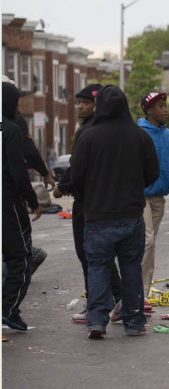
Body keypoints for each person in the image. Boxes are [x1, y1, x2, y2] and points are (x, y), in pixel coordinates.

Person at [70, 85, 160, 340]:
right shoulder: (140, 136)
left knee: (98, 266)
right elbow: (153, 172)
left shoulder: (89, 136)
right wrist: (134, 187)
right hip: (131, 214)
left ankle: (97, 321)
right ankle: (133, 320)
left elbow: (77, 175)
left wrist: (91, 194)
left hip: (98, 214)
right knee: (131, 268)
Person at [54, 84, 124, 323]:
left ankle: (97, 306)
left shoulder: (88, 132)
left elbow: (77, 168)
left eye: (85, 103)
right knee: (102, 256)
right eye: (78, 102)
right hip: (110, 201)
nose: (80, 107)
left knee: (88, 255)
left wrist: (62, 187)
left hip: (87, 203)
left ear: (98, 104)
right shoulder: (115, 129)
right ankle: (119, 298)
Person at [2, 75, 55, 276]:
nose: (18, 104)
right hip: (8, 199)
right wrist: (33, 201)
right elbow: (24, 158)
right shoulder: (14, 124)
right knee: (17, 248)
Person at [2, 82, 43, 332]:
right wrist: (33, 201)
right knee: (19, 258)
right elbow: (18, 171)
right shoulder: (10, 130)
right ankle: (9, 309)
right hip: (7, 203)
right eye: (15, 102)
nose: (17, 108)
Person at [137, 93, 169, 307]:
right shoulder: (138, 133)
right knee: (146, 242)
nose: (165, 110)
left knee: (149, 245)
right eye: (160, 106)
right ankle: (135, 293)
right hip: (140, 197)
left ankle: (142, 295)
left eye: (166, 106)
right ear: (149, 110)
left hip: (159, 199)